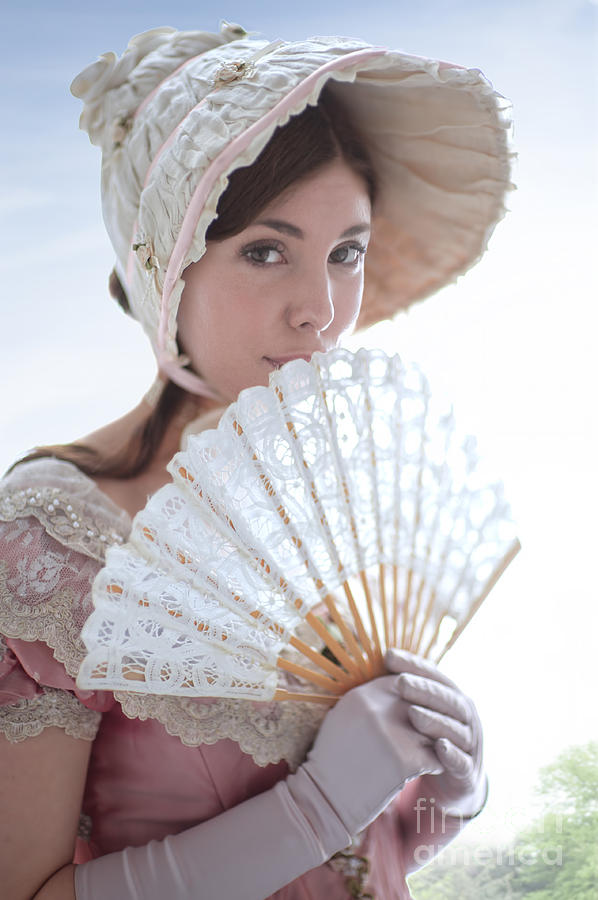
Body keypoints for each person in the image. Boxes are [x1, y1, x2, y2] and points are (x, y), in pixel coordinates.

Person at [0, 22, 512, 900]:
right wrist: (313, 805)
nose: (320, 308)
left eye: (346, 253)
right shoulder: (57, 540)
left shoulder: (326, 519)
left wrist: (452, 797)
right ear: (168, 279)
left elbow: (367, 860)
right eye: (265, 251)